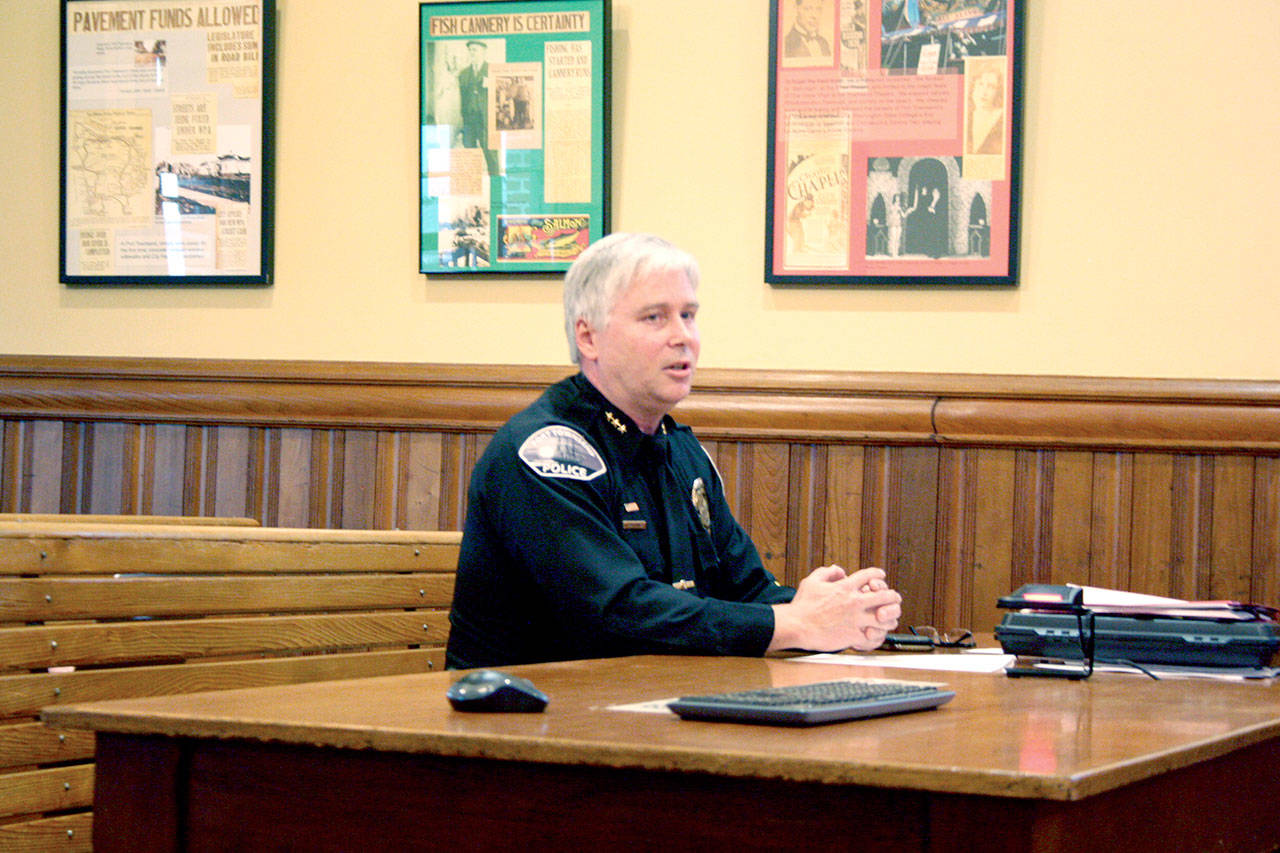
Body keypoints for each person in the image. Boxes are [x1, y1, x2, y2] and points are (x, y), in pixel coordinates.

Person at [446, 233, 902, 669]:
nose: (682, 336)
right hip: (530, 724)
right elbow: (620, 613)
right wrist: (793, 624)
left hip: (653, 706)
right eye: (655, 318)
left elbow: (745, 590)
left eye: (688, 315)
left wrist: (835, 612)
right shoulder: (549, 452)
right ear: (589, 338)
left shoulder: (680, 451)